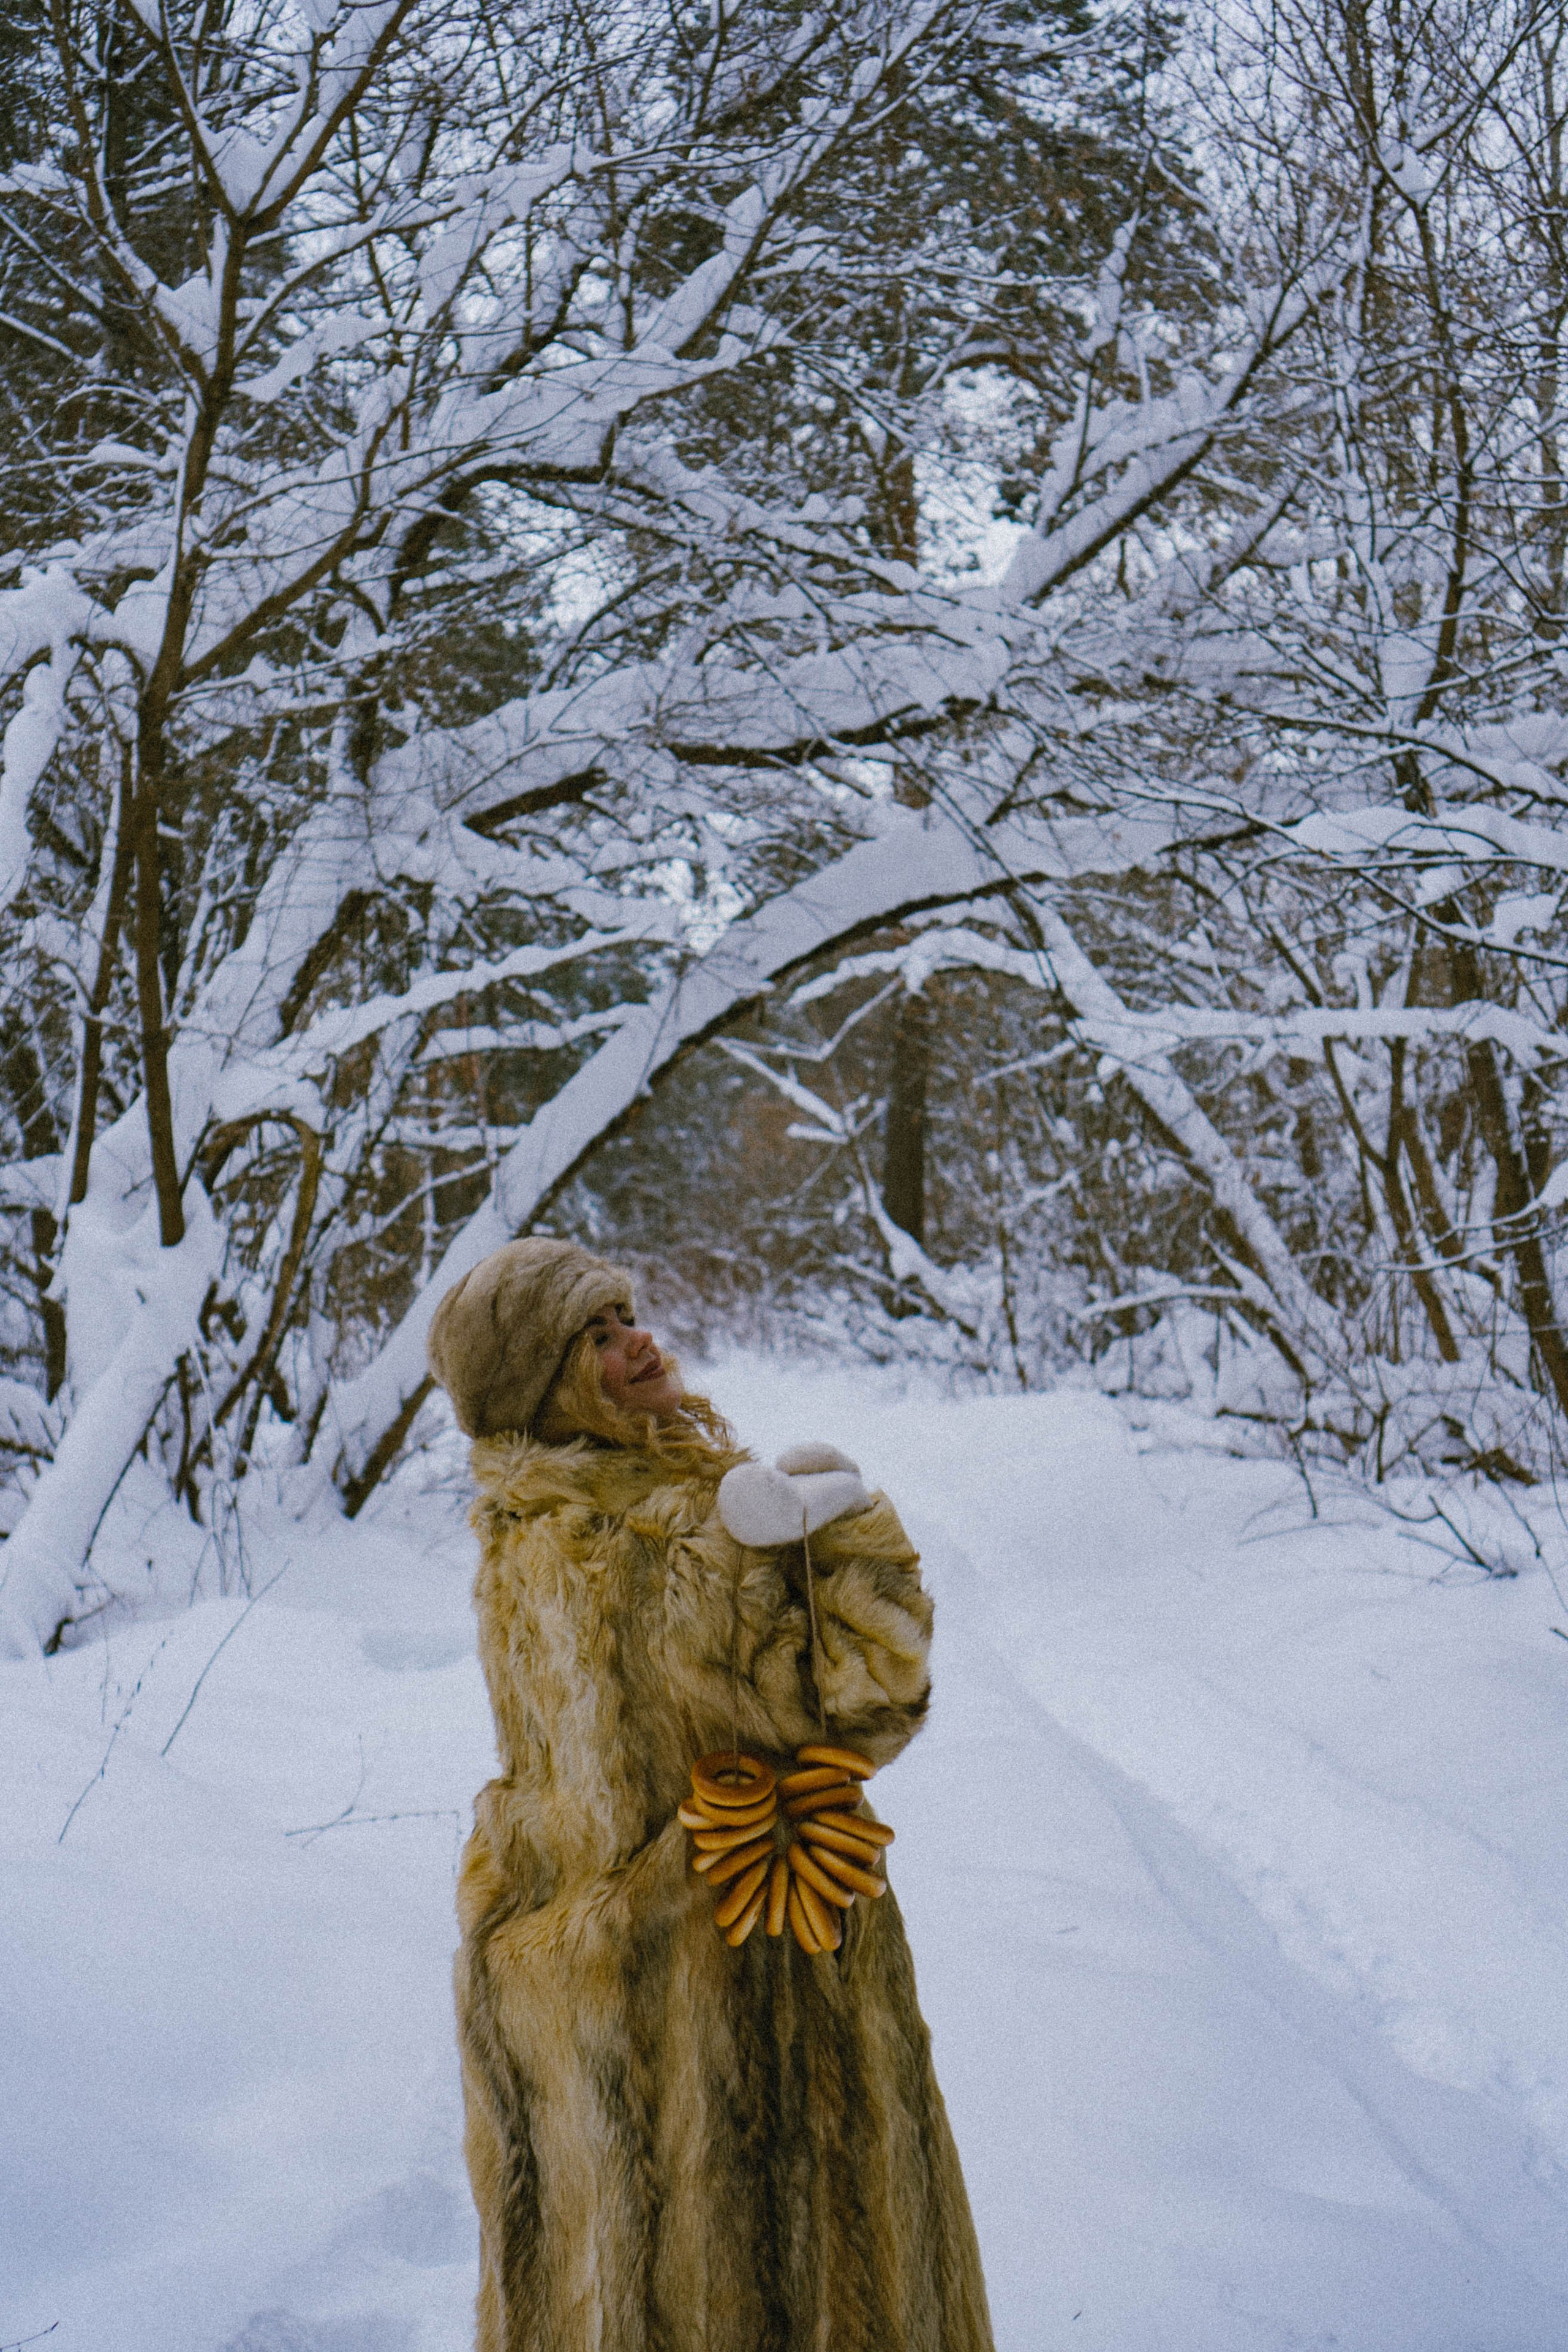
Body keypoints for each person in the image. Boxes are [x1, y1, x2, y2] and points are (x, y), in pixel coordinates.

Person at [426, 1235, 994, 2352]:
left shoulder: (523, 1530)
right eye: (594, 1338)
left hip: (595, 1983)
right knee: (790, 2283)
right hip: (732, 1972)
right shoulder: (659, 1542)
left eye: (625, 1316)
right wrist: (847, 1532)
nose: (638, 1343)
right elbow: (866, 1697)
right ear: (546, 1387)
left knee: (627, 2288)